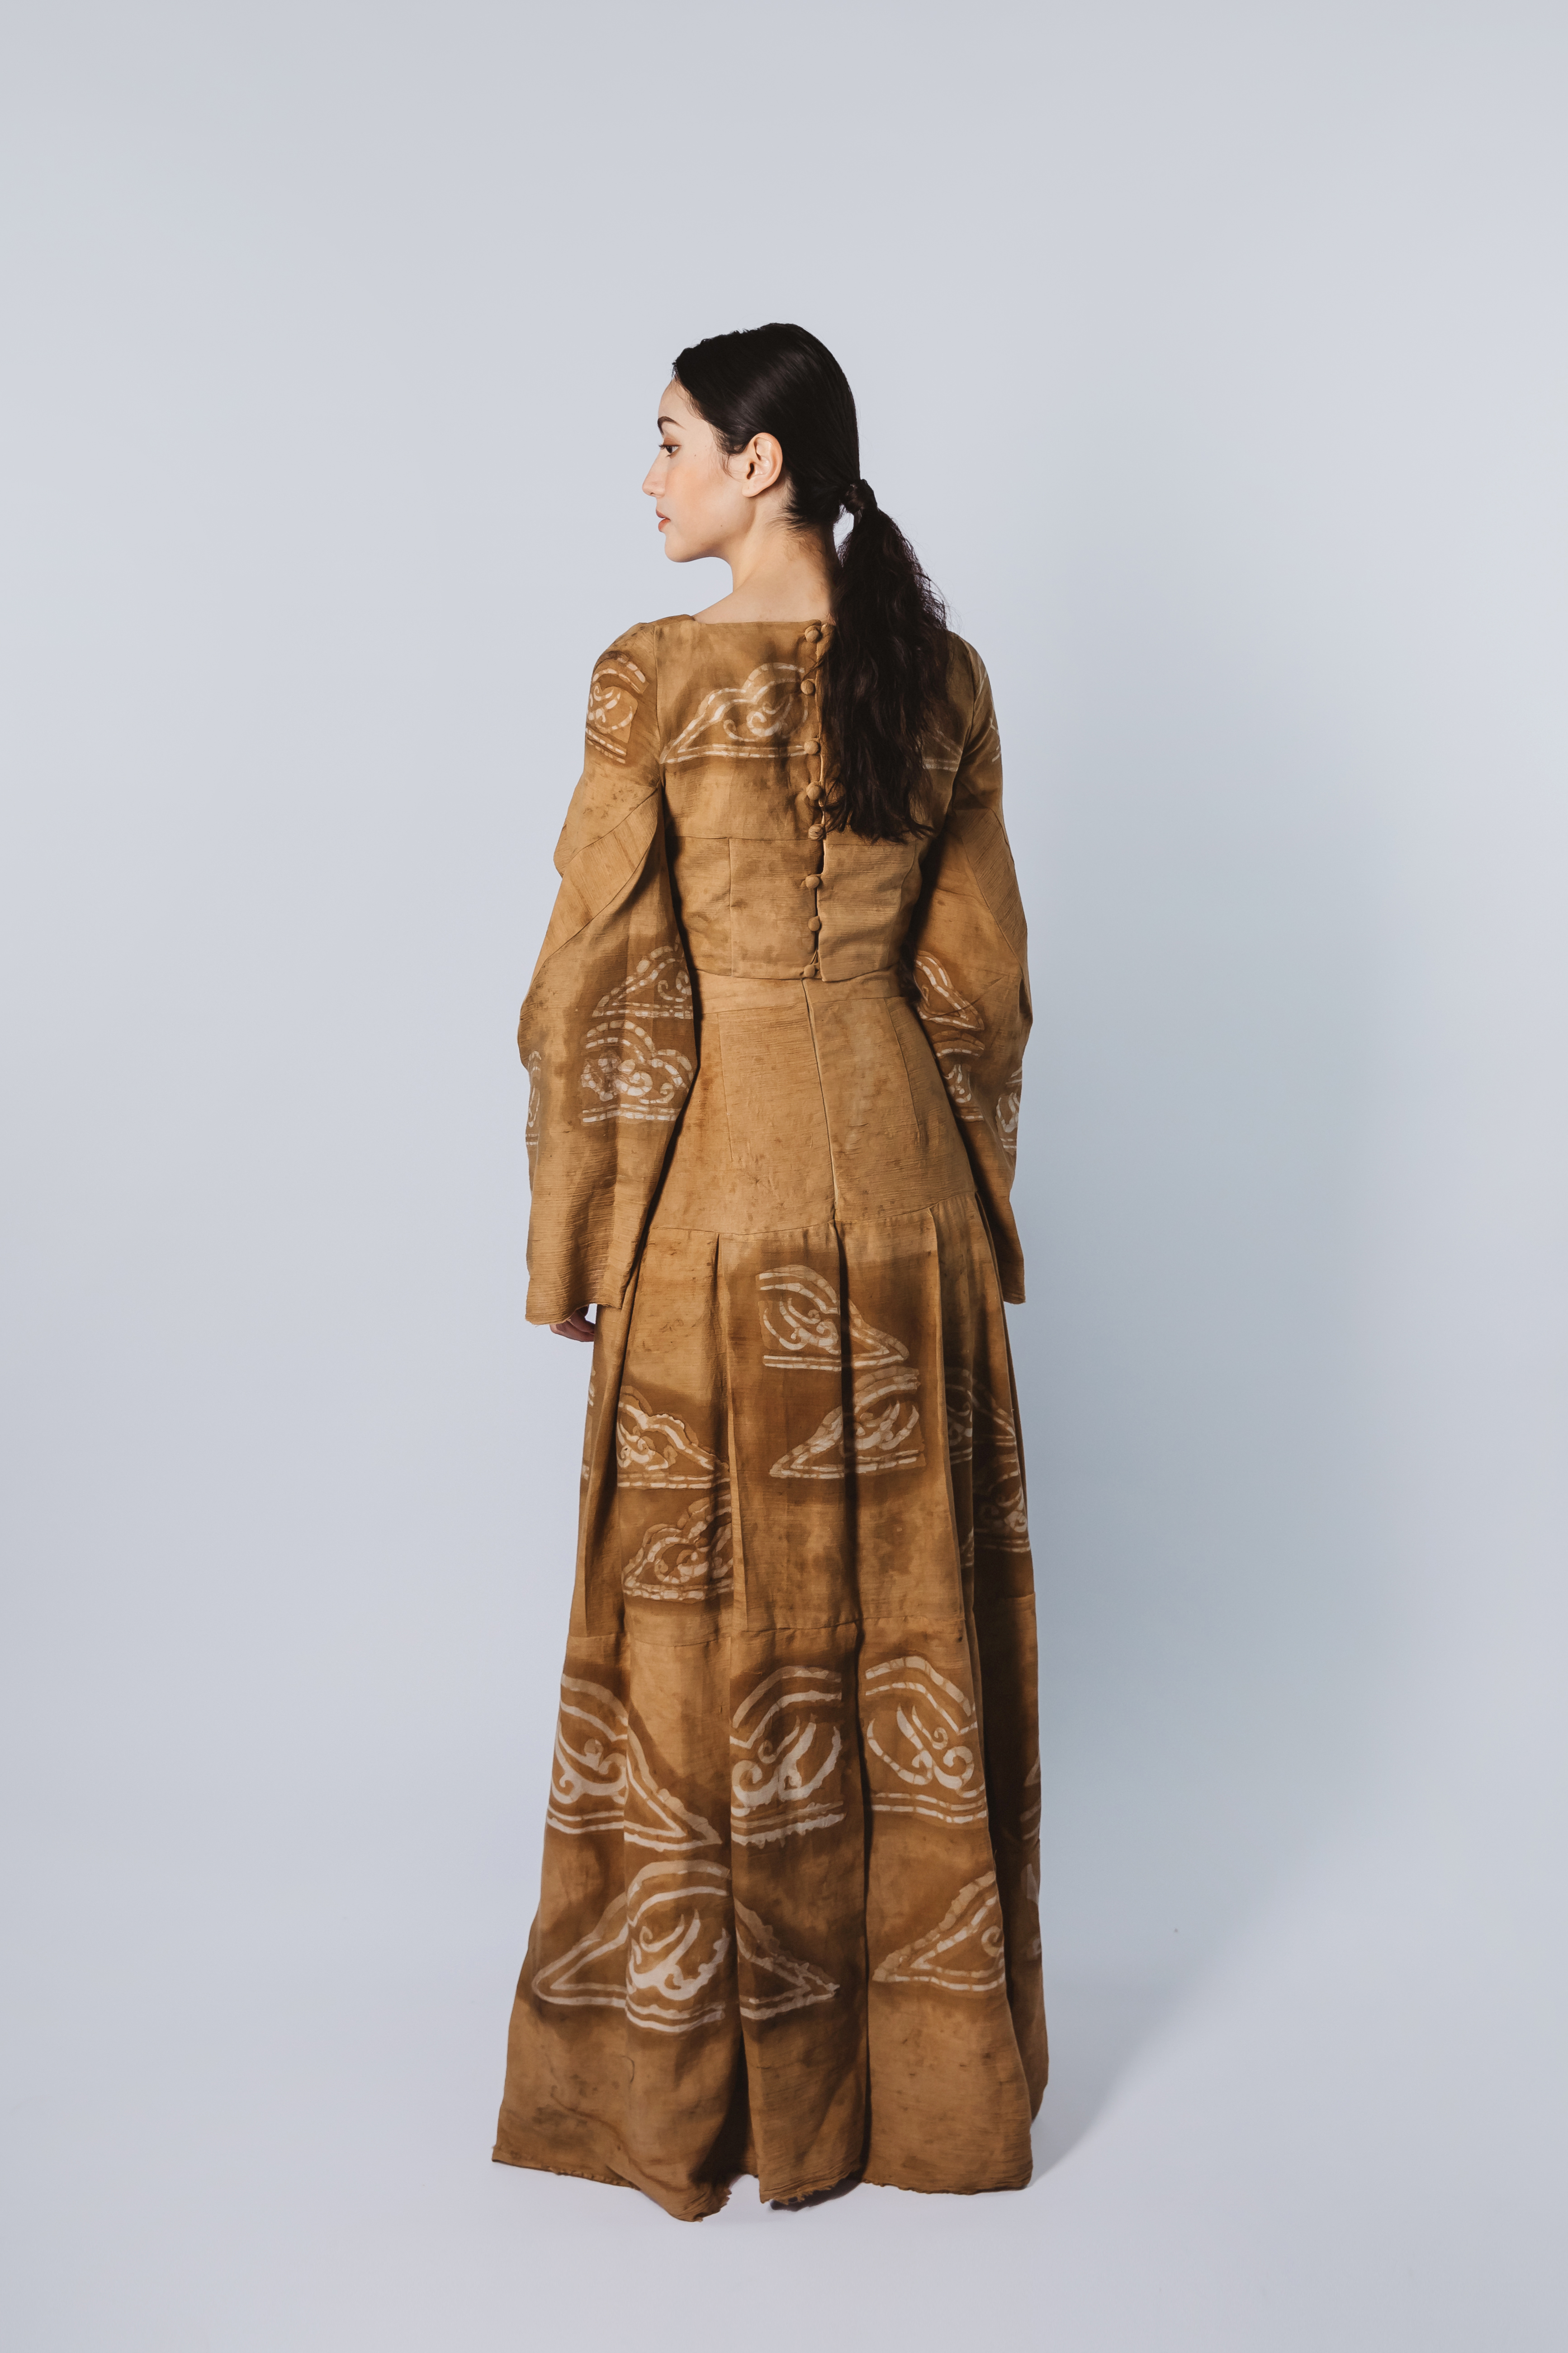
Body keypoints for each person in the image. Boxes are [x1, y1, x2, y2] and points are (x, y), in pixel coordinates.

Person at [492, 323, 1045, 2219]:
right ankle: (924, 2095)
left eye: (668, 442)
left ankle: (699, 2090)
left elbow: (591, 984)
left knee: (695, 1637)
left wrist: (577, 1230)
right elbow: (981, 991)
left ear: (762, 464)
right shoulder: (942, 674)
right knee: (905, 1640)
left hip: (716, 1213)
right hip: (904, 1211)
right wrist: (974, 1211)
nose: (647, 477)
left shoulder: (649, 677)